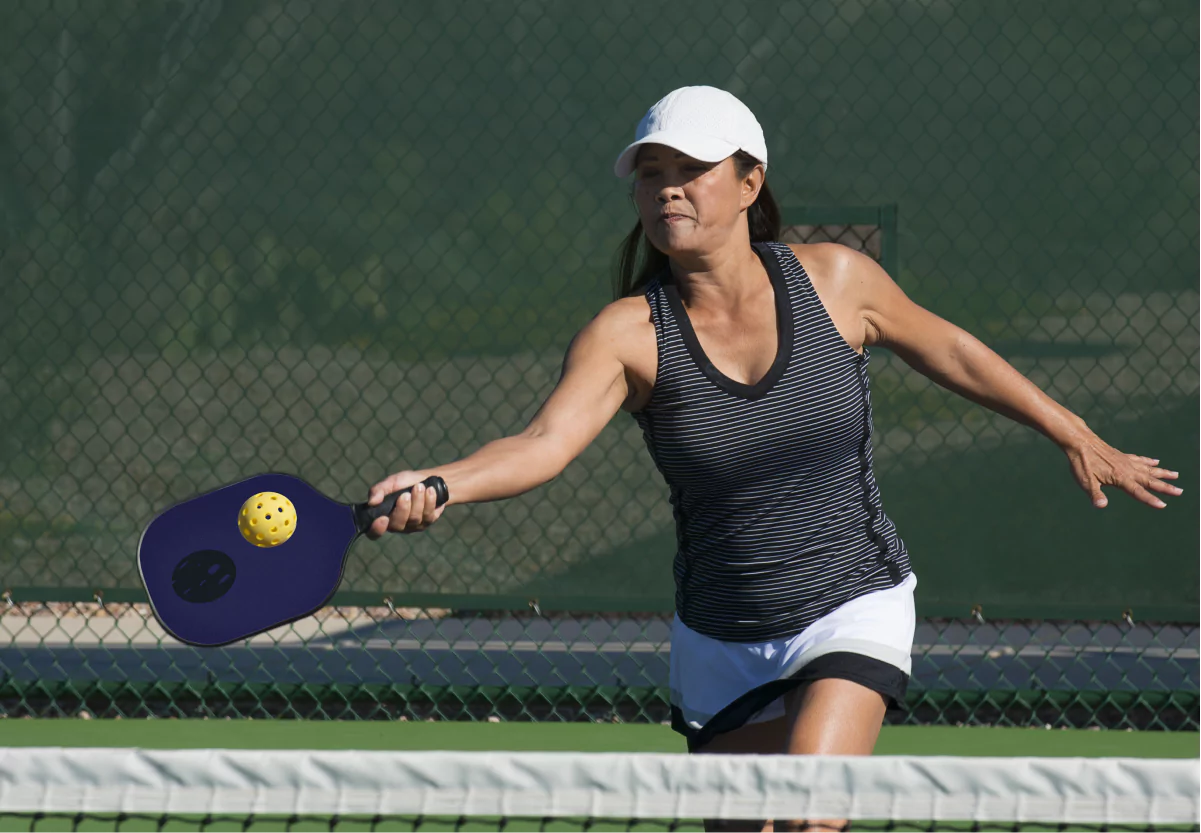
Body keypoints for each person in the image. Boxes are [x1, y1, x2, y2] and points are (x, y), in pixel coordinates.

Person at [366, 84, 1180, 762]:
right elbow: (542, 443)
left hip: (848, 601)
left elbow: (955, 353)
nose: (667, 189)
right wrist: (442, 483)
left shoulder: (836, 280)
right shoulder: (625, 334)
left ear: (749, 183)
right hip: (722, 639)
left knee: (806, 814)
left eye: (691, 169)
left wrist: (1072, 430)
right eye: (651, 173)